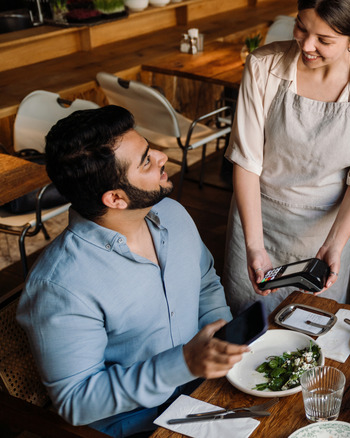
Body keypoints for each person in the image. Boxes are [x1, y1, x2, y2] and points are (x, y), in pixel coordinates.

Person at [16, 106, 248, 437]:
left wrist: (225, 339)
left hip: (207, 392)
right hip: (138, 426)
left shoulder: (172, 214)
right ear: (116, 198)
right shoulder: (60, 285)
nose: (162, 156)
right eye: (145, 161)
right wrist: (183, 364)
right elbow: (76, 402)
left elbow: (205, 284)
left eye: (149, 147)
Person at [224, 0, 350, 314]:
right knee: (248, 328)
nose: (307, 45)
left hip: (326, 233)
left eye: (324, 40)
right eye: (301, 28)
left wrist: (334, 244)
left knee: (312, 333)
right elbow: (246, 161)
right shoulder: (264, 65)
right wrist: (254, 246)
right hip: (256, 220)